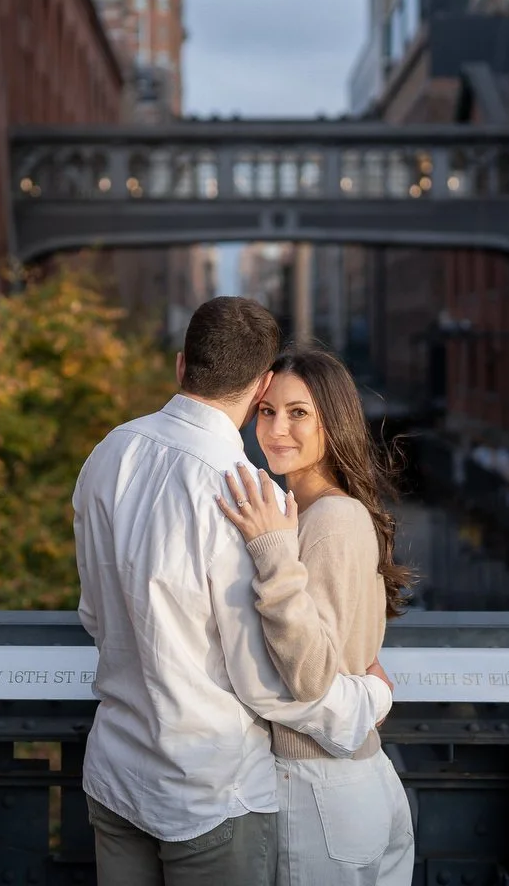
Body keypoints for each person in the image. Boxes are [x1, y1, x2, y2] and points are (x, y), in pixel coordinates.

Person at [74, 297, 396, 884]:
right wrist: (369, 700)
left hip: (115, 772)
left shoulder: (108, 453)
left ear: (181, 366)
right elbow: (264, 681)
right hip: (210, 790)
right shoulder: (244, 492)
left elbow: (95, 616)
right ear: (262, 384)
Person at [217, 345, 416, 885]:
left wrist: (272, 554)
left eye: (298, 412)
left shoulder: (330, 518)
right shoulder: (310, 510)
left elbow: (310, 674)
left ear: (334, 421)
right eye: (266, 411)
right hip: (347, 781)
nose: (276, 428)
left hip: (319, 787)